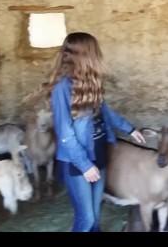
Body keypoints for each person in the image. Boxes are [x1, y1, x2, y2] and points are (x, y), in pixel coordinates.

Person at [48, 32, 145, 232]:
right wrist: (84, 165)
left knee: (96, 217)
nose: (98, 55)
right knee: (86, 219)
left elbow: (105, 111)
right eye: (94, 51)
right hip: (77, 163)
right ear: (83, 55)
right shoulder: (62, 89)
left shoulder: (90, 82)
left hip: (98, 154)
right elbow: (65, 134)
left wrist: (129, 128)